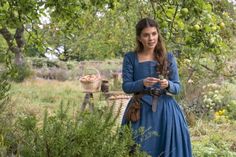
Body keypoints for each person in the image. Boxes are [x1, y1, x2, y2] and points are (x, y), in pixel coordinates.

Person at [121, 17, 192, 157]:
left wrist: (168, 85)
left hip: (166, 113)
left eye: (154, 33)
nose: (151, 38)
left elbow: (177, 88)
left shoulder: (168, 57)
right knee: (140, 149)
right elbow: (126, 86)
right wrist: (142, 83)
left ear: (158, 34)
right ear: (139, 38)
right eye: (146, 35)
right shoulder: (130, 57)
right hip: (140, 112)